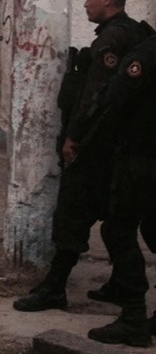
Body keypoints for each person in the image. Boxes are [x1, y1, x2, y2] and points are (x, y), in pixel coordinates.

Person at [13, 0, 148, 315]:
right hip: (122, 149)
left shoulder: (111, 41)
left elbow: (95, 99)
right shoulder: (132, 33)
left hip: (96, 148)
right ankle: (121, 285)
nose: (85, 3)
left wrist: (73, 138)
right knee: (119, 224)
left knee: (71, 218)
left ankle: (54, 288)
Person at [84, 34, 156, 347]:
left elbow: (116, 95)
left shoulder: (147, 52)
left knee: (117, 231)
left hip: (142, 158)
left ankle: (133, 317)